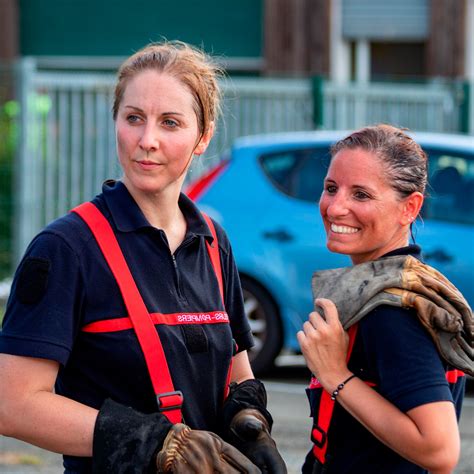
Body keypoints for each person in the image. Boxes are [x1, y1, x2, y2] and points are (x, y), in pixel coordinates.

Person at [0, 41, 287, 474]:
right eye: (133, 118)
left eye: (170, 123)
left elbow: (237, 370)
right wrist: (151, 441)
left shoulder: (212, 242)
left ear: (203, 137)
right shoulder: (67, 249)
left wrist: (248, 420)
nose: (146, 140)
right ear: (116, 122)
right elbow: (14, 404)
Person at [297, 124, 472, 474]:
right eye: (331, 188)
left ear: (410, 208)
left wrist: (336, 376)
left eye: (361, 195)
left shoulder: (393, 313)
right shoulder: (408, 285)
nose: (335, 208)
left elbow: (439, 450)